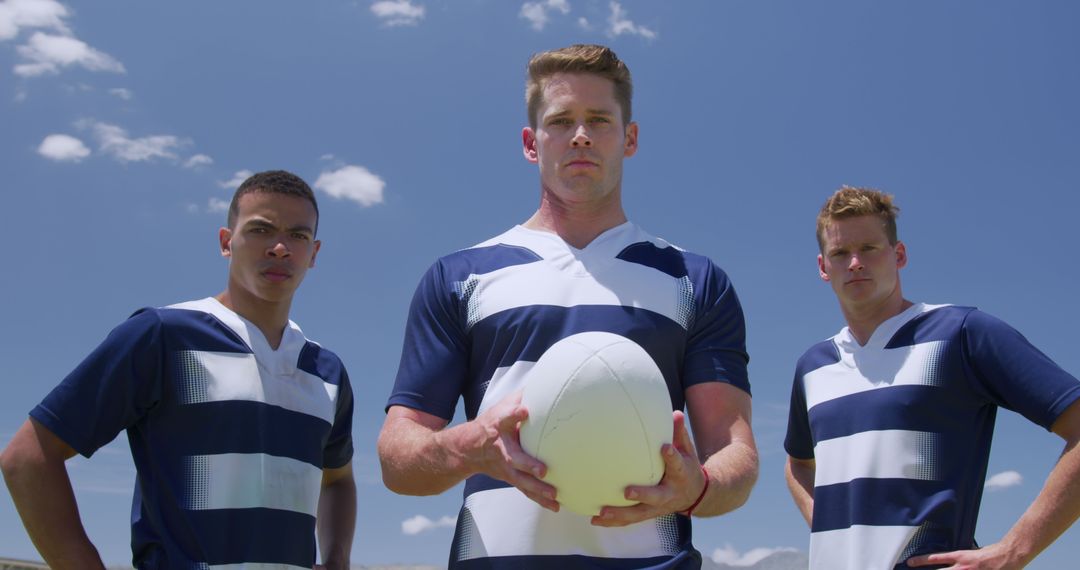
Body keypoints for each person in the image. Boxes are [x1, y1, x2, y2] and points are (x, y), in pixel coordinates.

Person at [377, 44, 758, 569]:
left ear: (630, 139)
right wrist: (471, 446)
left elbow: (736, 454)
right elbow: (398, 461)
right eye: (561, 121)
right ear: (532, 144)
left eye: (599, 120)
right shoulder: (460, 277)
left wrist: (697, 488)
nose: (580, 135)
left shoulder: (694, 281)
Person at [1, 170, 356, 570]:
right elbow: (28, 457)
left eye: (298, 235)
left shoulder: (327, 372)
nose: (279, 247)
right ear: (226, 242)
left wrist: (338, 557)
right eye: (260, 229)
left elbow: (338, 478)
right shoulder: (163, 335)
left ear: (314, 253)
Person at [784, 186, 1080, 569]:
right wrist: (829, 528)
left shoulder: (961, 333)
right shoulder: (813, 365)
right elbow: (798, 464)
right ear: (824, 267)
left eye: (870, 248)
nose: (855, 262)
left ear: (899, 255)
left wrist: (1014, 551)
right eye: (840, 253)